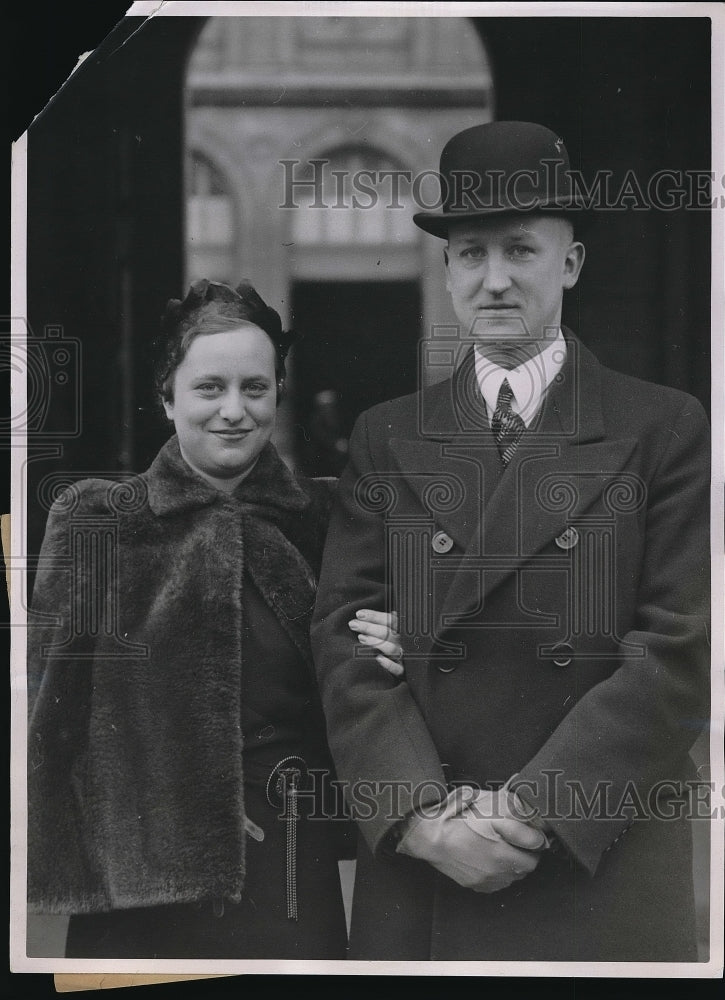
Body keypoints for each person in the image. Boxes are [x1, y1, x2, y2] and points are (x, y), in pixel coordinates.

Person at [311, 121, 711, 962]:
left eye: (520, 251)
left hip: (592, 852)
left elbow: (678, 650)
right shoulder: (386, 436)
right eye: (469, 253)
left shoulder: (664, 427)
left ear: (568, 264)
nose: (494, 280)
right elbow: (344, 642)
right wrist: (420, 814)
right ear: (447, 270)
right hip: (430, 863)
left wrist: (532, 809)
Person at [26, 278, 401, 959]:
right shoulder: (98, 522)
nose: (234, 410)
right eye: (209, 388)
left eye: (254, 388)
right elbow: (53, 719)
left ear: (277, 394)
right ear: (167, 397)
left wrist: (400, 645)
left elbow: (364, 681)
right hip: (139, 890)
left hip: (290, 872)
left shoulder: (326, 519)